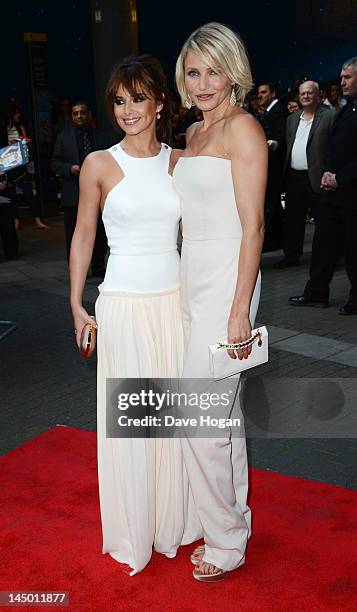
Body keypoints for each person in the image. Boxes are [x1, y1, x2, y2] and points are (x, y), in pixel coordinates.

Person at [69, 54, 200, 575]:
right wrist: (76, 305)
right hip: (121, 306)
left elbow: (195, 238)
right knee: (133, 423)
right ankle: (135, 528)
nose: (127, 110)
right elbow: (83, 236)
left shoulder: (180, 161)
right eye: (119, 101)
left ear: (160, 101)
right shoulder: (100, 164)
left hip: (174, 305)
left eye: (138, 98)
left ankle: (175, 520)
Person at [173, 22, 267, 581]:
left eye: (214, 70)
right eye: (193, 71)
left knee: (197, 417)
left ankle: (225, 541)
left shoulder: (244, 130)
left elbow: (253, 228)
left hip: (228, 283)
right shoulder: (191, 135)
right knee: (220, 418)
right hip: (193, 279)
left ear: (234, 72)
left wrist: (239, 310)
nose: (204, 82)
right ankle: (235, 521)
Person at [289, 57, 357, 315]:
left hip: (351, 193)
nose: (341, 82)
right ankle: (316, 292)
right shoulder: (349, 108)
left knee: (352, 248)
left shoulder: (342, 110)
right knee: (323, 243)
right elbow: (334, 146)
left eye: (347, 77)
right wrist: (328, 172)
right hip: (334, 192)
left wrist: (341, 177)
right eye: (341, 77)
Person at [275, 80, 335, 268]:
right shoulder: (291, 119)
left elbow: (335, 148)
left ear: (318, 95)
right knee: (293, 219)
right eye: (303, 94)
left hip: (317, 177)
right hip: (294, 177)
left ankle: (326, 257)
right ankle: (291, 256)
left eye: (310, 93)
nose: (306, 96)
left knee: (323, 220)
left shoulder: (330, 116)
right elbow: (287, 145)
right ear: (299, 97)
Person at [52, 100, 110, 277]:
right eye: (75, 113)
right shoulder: (63, 137)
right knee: (74, 234)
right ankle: (77, 269)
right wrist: (69, 169)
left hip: (98, 194)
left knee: (100, 232)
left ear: (89, 115)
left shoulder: (101, 137)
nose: (79, 116)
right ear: (71, 117)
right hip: (73, 194)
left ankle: (98, 265)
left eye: (82, 112)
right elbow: (55, 162)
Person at [257, 82, 288, 251]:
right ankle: (275, 239)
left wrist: (271, 143)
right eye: (259, 93)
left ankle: (274, 240)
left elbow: (280, 138)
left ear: (273, 93)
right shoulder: (270, 111)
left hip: (275, 165)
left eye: (264, 92)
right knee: (271, 202)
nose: (260, 95)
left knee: (272, 202)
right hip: (269, 164)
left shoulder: (278, 111)